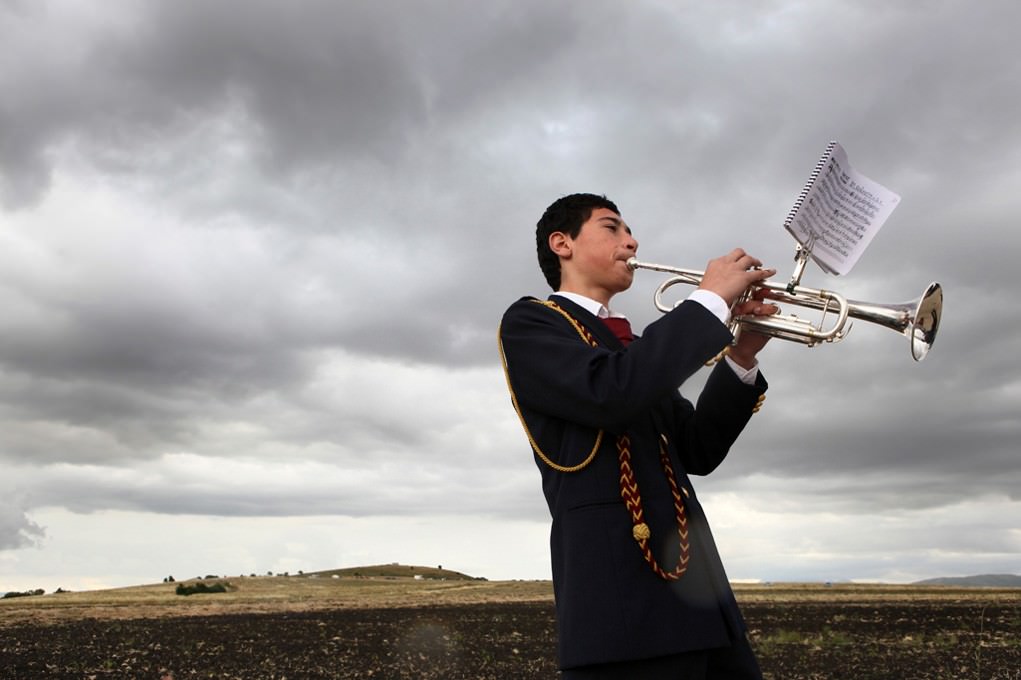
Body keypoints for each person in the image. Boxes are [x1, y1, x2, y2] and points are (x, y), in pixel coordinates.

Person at [498, 193, 779, 679]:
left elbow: (698, 449)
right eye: (612, 228)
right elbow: (612, 393)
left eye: (629, 231)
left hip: (702, 600)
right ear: (562, 243)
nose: (631, 242)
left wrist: (741, 354)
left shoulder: (633, 348)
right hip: (622, 609)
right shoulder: (531, 323)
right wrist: (709, 301)